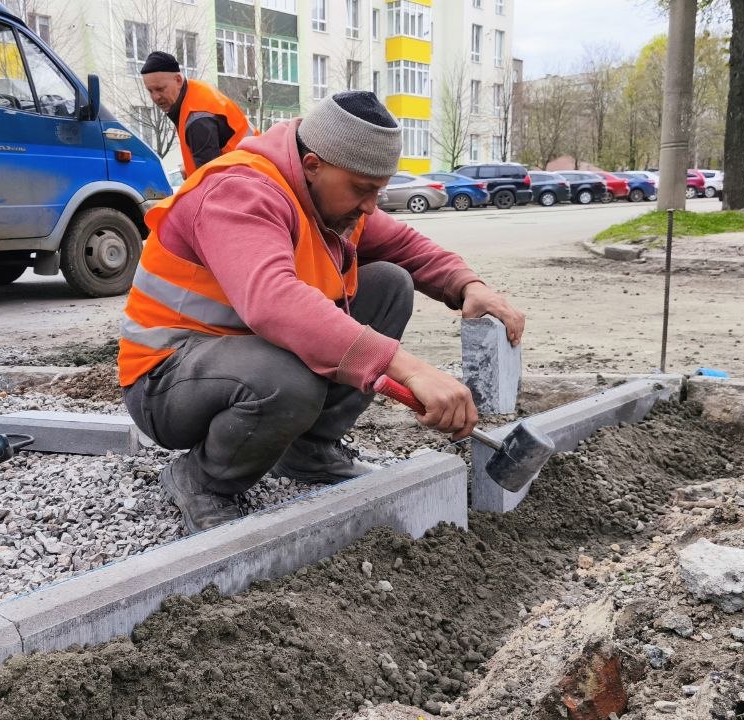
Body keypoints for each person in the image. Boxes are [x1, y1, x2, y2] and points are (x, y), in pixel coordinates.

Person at [118, 91, 525, 534]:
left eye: (379, 190)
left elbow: (405, 247)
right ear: (313, 165)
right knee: (287, 382)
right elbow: (273, 301)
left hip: (245, 357)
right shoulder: (239, 191)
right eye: (363, 190)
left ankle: (308, 451)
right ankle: (202, 480)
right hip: (166, 379)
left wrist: (468, 285)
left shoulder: (332, 196)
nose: (371, 205)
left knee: (389, 284)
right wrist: (408, 369)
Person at [140, 51, 253, 177]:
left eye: (160, 89)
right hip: (251, 176)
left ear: (178, 80)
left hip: (247, 182)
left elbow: (211, 182)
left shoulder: (198, 120)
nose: (155, 97)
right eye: (150, 91)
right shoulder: (194, 94)